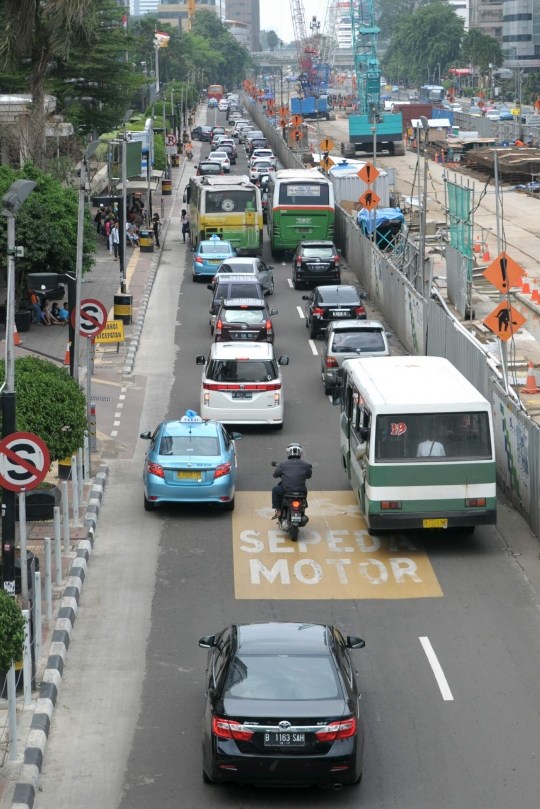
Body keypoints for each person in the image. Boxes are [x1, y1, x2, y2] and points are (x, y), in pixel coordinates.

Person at [271, 443, 313, 517]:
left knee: (275, 490)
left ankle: (278, 511)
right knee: (305, 489)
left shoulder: (283, 464)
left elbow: (275, 475)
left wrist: (274, 473)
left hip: (286, 490)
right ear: (300, 453)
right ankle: (303, 507)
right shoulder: (305, 465)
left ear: (288, 453)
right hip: (301, 490)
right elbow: (309, 476)